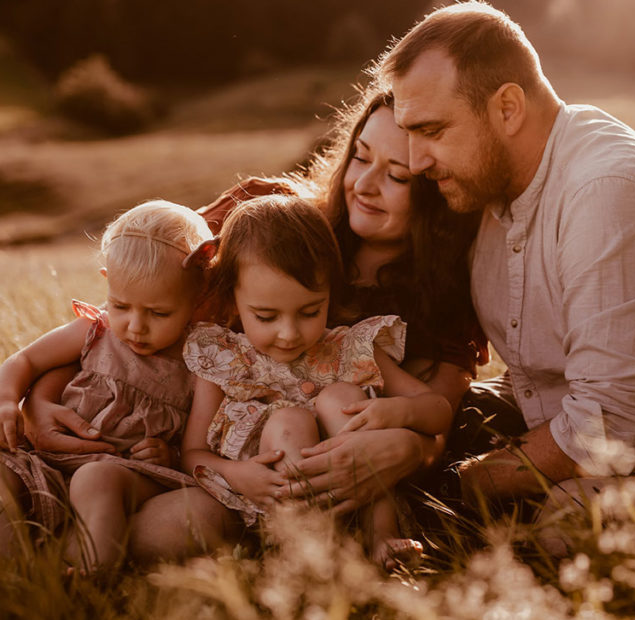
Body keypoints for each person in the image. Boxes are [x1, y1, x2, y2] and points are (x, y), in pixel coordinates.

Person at [0, 90, 485, 556]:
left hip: (190, 468)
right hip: (105, 414)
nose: (364, 184)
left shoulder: (439, 298)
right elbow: (134, 306)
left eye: (398, 175)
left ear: (437, 186)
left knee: (122, 535)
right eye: (361, 157)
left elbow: (435, 415)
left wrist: (411, 450)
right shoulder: (262, 215)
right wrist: (41, 397)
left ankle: (53, 566)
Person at [374, 0, 635, 528]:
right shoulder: (493, 185)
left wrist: (456, 483)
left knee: (568, 527)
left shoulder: (607, 193)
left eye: (432, 132)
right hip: (567, 427)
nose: (416, 162)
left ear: (508, 108)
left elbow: (613, 426)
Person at [182, 193, 453, 567]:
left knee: (340, 396)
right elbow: (192, 453)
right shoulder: (224, 360)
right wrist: (235, 473)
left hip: (360, 488)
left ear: (330, 293)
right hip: (274, 507)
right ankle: (310, 551)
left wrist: (396, 412)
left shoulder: (350, 349)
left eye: (310, 311)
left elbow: (438, 410)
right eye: (266, 316)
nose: (289, 333)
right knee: (288, 421)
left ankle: (382, 537)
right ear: (233, 300)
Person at [0, 199, 235, 570]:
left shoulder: (200, 361)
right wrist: (3, 403)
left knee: (97, 478)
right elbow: (24, 360)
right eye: (121, 305)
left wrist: (168, 454)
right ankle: (13, 573)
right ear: (107, 284)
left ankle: (93, 574)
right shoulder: (94, 329)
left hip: (128, 471)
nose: (135, 326)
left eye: (159, 313)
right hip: (53, 461)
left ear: (198, 299)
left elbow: (199, 445)